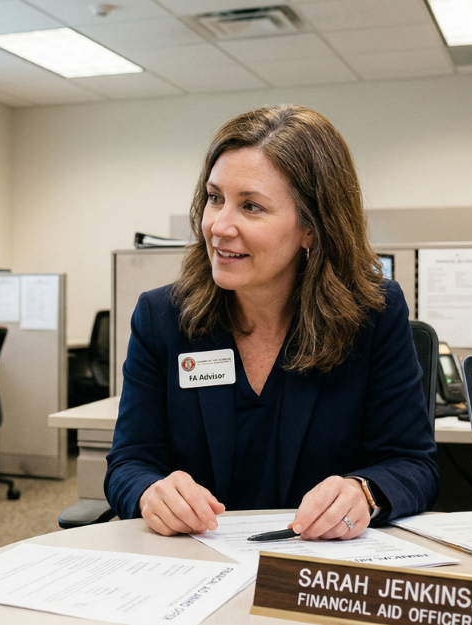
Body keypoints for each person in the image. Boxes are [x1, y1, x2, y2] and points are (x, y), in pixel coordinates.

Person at [105, 105, 438, 542]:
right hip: (197, 558)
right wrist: (150, 492)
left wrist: (364, 492)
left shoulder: (372, 315)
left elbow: (413, 464)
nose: (219, 226)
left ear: (311, 228)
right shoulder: (163, 317)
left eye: (251, 206)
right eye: (215, 198)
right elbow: (129, 462)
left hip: (318, 561)